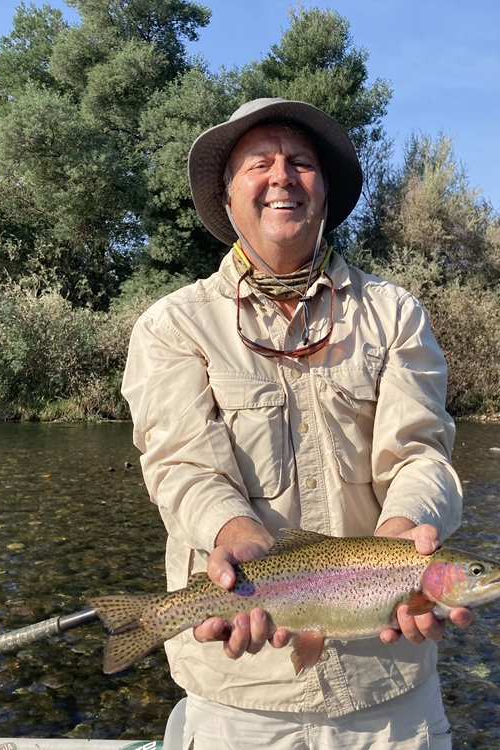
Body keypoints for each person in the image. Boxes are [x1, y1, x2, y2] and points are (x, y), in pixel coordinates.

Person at [122, 98, 469, 749]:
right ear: (226, 201)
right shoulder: (172, 326)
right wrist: (234, 531)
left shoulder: (395, 315)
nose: (282, 176)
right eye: (259, 164)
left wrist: (402, 539)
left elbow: (423, 453)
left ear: (325, 193)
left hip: (389, 693)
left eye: (301, 163)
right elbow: (183, 466)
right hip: (241, 696)